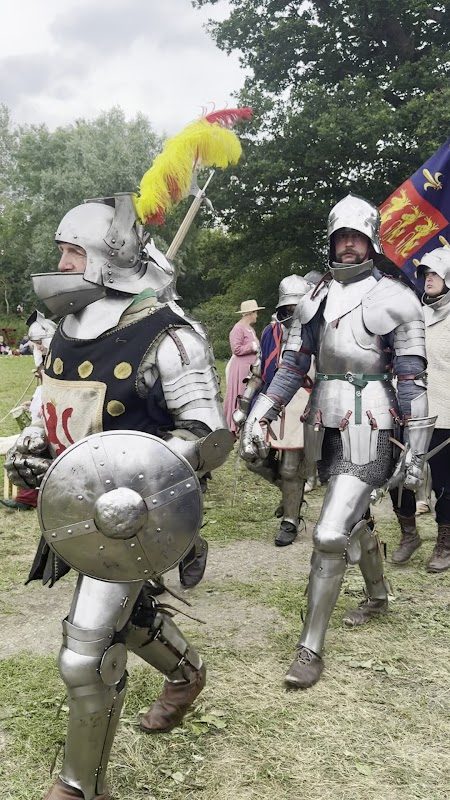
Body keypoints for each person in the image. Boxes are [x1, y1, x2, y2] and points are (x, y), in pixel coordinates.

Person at [6, 192, 232, 800]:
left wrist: (137, 481)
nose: (61, 262)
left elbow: (208, 434)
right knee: (124, 620)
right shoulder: (65, 327)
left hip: (134, 516)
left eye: (71, 251)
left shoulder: (169, 334)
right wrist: (33, 445)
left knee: (85, 658)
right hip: (77, 509)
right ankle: (187, 672)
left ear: (108, 256)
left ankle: (80, 787)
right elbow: (51, 409)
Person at [241, 194, 435, 689]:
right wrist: (260, 414)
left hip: (371, 422)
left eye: (356, 237)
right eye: (340, 237)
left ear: (371, 241)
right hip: (322, 423)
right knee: (356, 518)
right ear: (331, 242)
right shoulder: (315, 296)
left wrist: (415, 451)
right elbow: (291, 367)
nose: (348, 245)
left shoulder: (396, 297)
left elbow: (411, 378)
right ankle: (378, 594)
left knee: (329, 534)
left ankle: (310, 648)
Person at [234, 275, 315, 546]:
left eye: (297, 307)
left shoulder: (317, 330)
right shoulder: (271, 332)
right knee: (252, 457)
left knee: (291, 468)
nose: (292, 312)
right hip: (269, 399)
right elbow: (258, 371)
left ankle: (290, 521)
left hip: (302, 402)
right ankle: (291, 494)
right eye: (288, 308)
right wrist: (244, 405)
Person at [392, 247, 450, 572]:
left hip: (446, 410)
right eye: (425, 274)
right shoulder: (414, 316)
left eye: (435, 273)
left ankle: (445, 542)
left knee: (444, 482)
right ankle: (409, 534)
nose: (428, 279)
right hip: (410, 410)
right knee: (399, 474)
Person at [223, 299, 264, 434]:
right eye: (255, 312)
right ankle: (235, 425)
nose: (257, 315)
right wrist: (252, 346)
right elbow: (236, 349)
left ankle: (247, 424)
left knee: (249, 395)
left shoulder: (250, 329)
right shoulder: (238, 328)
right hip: (241, 368)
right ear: (250, 313)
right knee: (241, 394)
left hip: (251, 368)